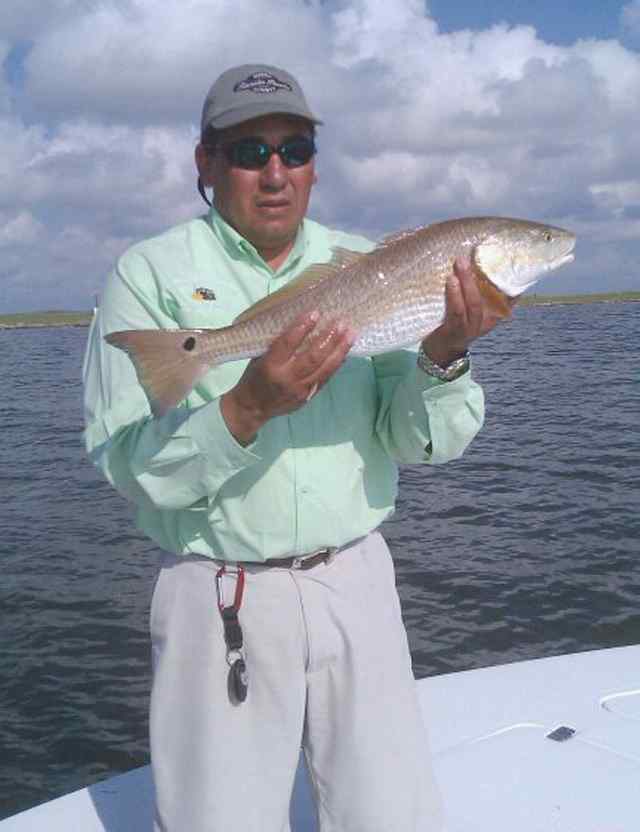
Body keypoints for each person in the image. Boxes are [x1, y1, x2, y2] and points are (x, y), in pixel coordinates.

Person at [83, 64, 505, 832]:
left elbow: (421, 441)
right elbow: (129, 467)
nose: (276, 172)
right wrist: (245, 408)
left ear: (314, 163)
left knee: (393, 817)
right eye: (249, 151)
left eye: (296, 147)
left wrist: (442, 355)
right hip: (221, 596)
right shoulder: (146, 275)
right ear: (205, 163)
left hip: (359, 584)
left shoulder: (370, 264)